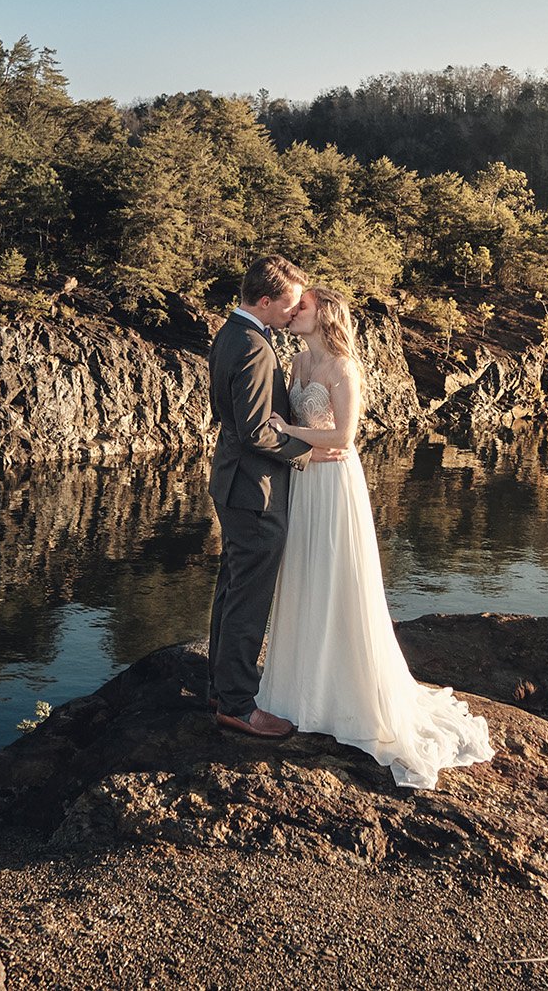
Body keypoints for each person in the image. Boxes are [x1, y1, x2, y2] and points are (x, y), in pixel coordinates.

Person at [258, 286, 494, 789]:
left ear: (326, 314)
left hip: (334, 483)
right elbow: (297, 428)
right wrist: (293, 436)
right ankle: (302, 689)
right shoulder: (297, 365)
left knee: (337, 576)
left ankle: (346, 692)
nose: (294, 310)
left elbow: (344, 438)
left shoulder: (343, 368)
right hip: (305, 477)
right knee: (302, 575)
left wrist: (291, 432)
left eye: (303, 306)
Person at [205, 254, 344, 738]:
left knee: (231, 588)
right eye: (287, 304)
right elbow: (256, 434)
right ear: (265, 301)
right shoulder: (256, 348)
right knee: (248, 599)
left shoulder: (231, 334)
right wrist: (305, 455)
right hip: (255, 489)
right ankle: (239, 706)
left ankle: (221, 689)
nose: (292, 312)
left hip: (231, 482)